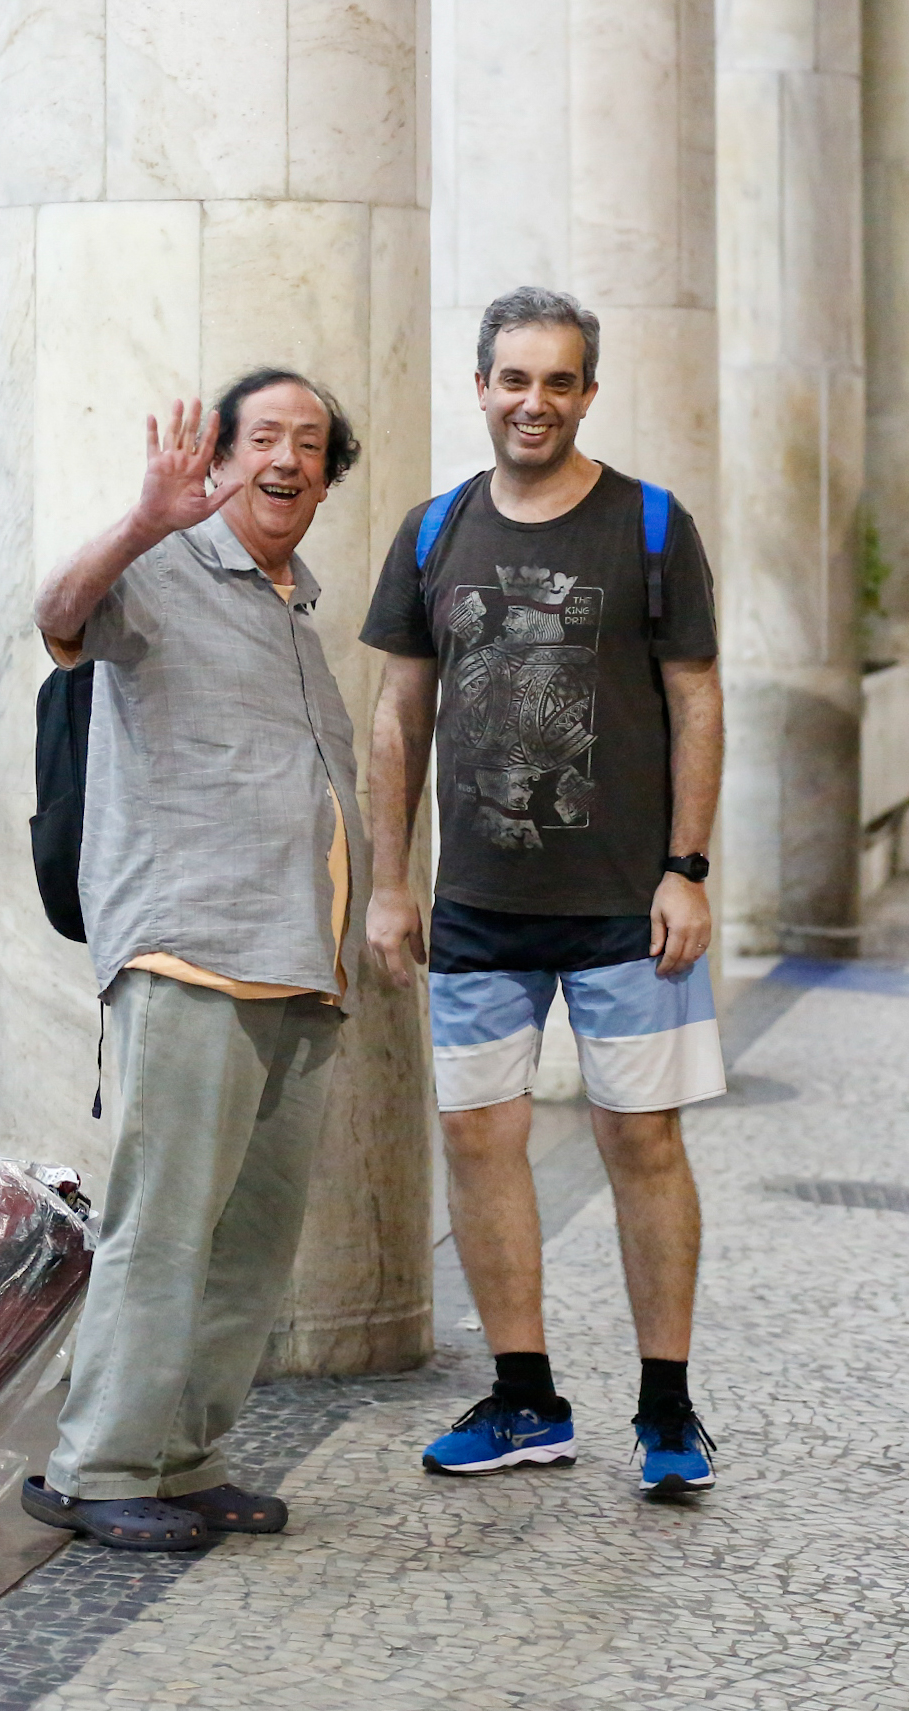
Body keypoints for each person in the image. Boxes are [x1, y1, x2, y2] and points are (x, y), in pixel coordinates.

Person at [360, 287, 726, 1497]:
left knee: (643, 1142)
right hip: (476, 907)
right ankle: (527, 1399)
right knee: (477, 1138)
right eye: (514, 379)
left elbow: (696, 698)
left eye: (559, 381)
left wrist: (688, 868)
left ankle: (666, 1412)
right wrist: (388, 881)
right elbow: (398, 714)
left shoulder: (651, 527)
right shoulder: (433, 531)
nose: (535, 402)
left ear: (587, 392)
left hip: (631, 902)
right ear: (479, 386)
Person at [22, 370, 364, 1550]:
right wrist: (141, 519)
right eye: (264, 436)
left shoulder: (295, 609)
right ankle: (98, 1465)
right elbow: (58, 615)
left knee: (250, 1246)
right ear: (219, 461)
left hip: (296, 969)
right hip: (189, 957)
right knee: (164, 1228)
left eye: (311, 444)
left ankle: (183, 1454)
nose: (289, 458)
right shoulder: (158, 574)